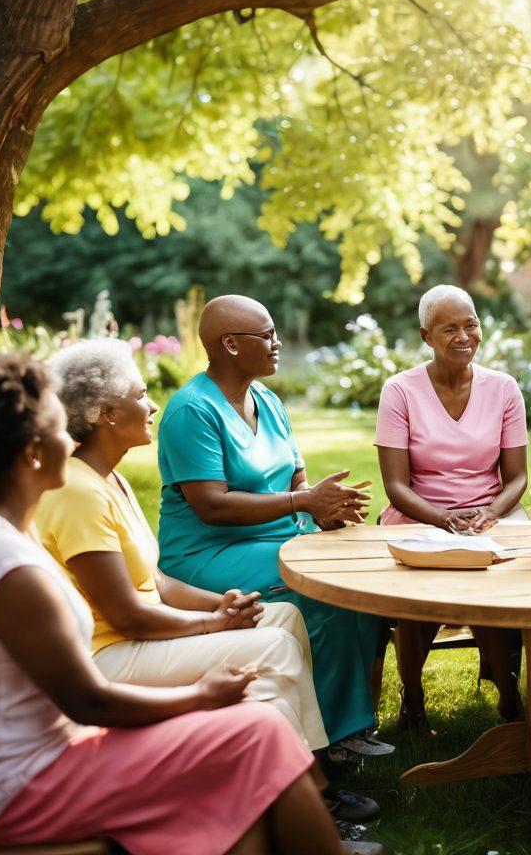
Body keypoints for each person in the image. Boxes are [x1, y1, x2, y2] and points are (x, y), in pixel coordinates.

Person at [0, 354, 381, 855]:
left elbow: (152, 583)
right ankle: (319, 818)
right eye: (60, 429)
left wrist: (215, 617)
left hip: (38, 760)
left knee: (257, 726)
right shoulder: (8, 564)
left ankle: (288, 810)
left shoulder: (6, 538)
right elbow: (89, 700)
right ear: (34, 454)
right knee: (257, 730)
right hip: (19, 786)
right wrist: (201, 695)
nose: (70, 440)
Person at [155, 295, 389, 757]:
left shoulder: (267, 400)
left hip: (279, 538)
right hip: (207, 553)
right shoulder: (192, 411)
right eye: (266, 335)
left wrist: (323, 509)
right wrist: (303, 502)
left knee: (362, 584)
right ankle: (331, 733)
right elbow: (213, 506)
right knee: (320, 594)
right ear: (230, 344)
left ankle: (351, 718)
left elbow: (295, 476)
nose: (277, 343)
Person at [376, 285, 528, 725]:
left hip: (489, 514)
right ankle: (413, 694)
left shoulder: (503, 388)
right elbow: (395, 485)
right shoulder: (400, 390)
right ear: (427, 336)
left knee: (509, 582)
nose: (464, 336)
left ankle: (509, 691)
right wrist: (443, 519)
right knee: (418, 591)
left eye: (471, 324)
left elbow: (516, 476)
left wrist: (492, 512)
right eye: (450, 328)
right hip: (419, 513)